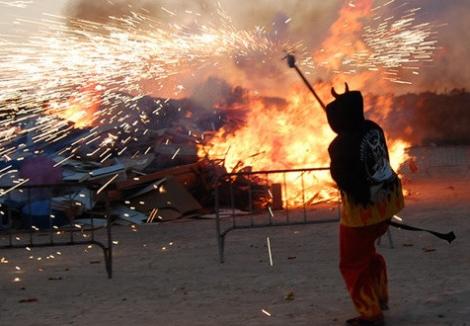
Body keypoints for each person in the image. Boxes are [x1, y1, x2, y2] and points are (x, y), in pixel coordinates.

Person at [326, 83, 404, 326]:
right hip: (388, 203)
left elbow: (343, 179)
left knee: (352, 263)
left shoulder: (340, 145)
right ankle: (379, 297)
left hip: (362, 214)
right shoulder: (373, 128)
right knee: (367, 254)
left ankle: (371, 314)